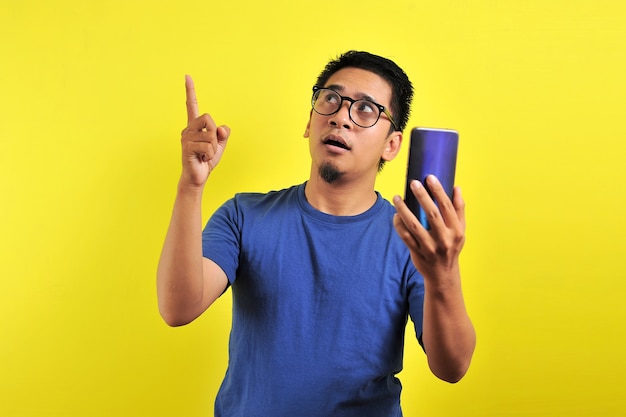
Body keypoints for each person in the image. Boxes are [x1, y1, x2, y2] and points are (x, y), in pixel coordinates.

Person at [157, 50, 476, 416]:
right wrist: (190, 187)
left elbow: (452, 367)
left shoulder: (411, 240)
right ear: (311, 121)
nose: (341, 117)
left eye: (366, 109)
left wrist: (443, 274)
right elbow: (177, 308)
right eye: (330, 100)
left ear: (392, 145)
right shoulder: (244, 215)